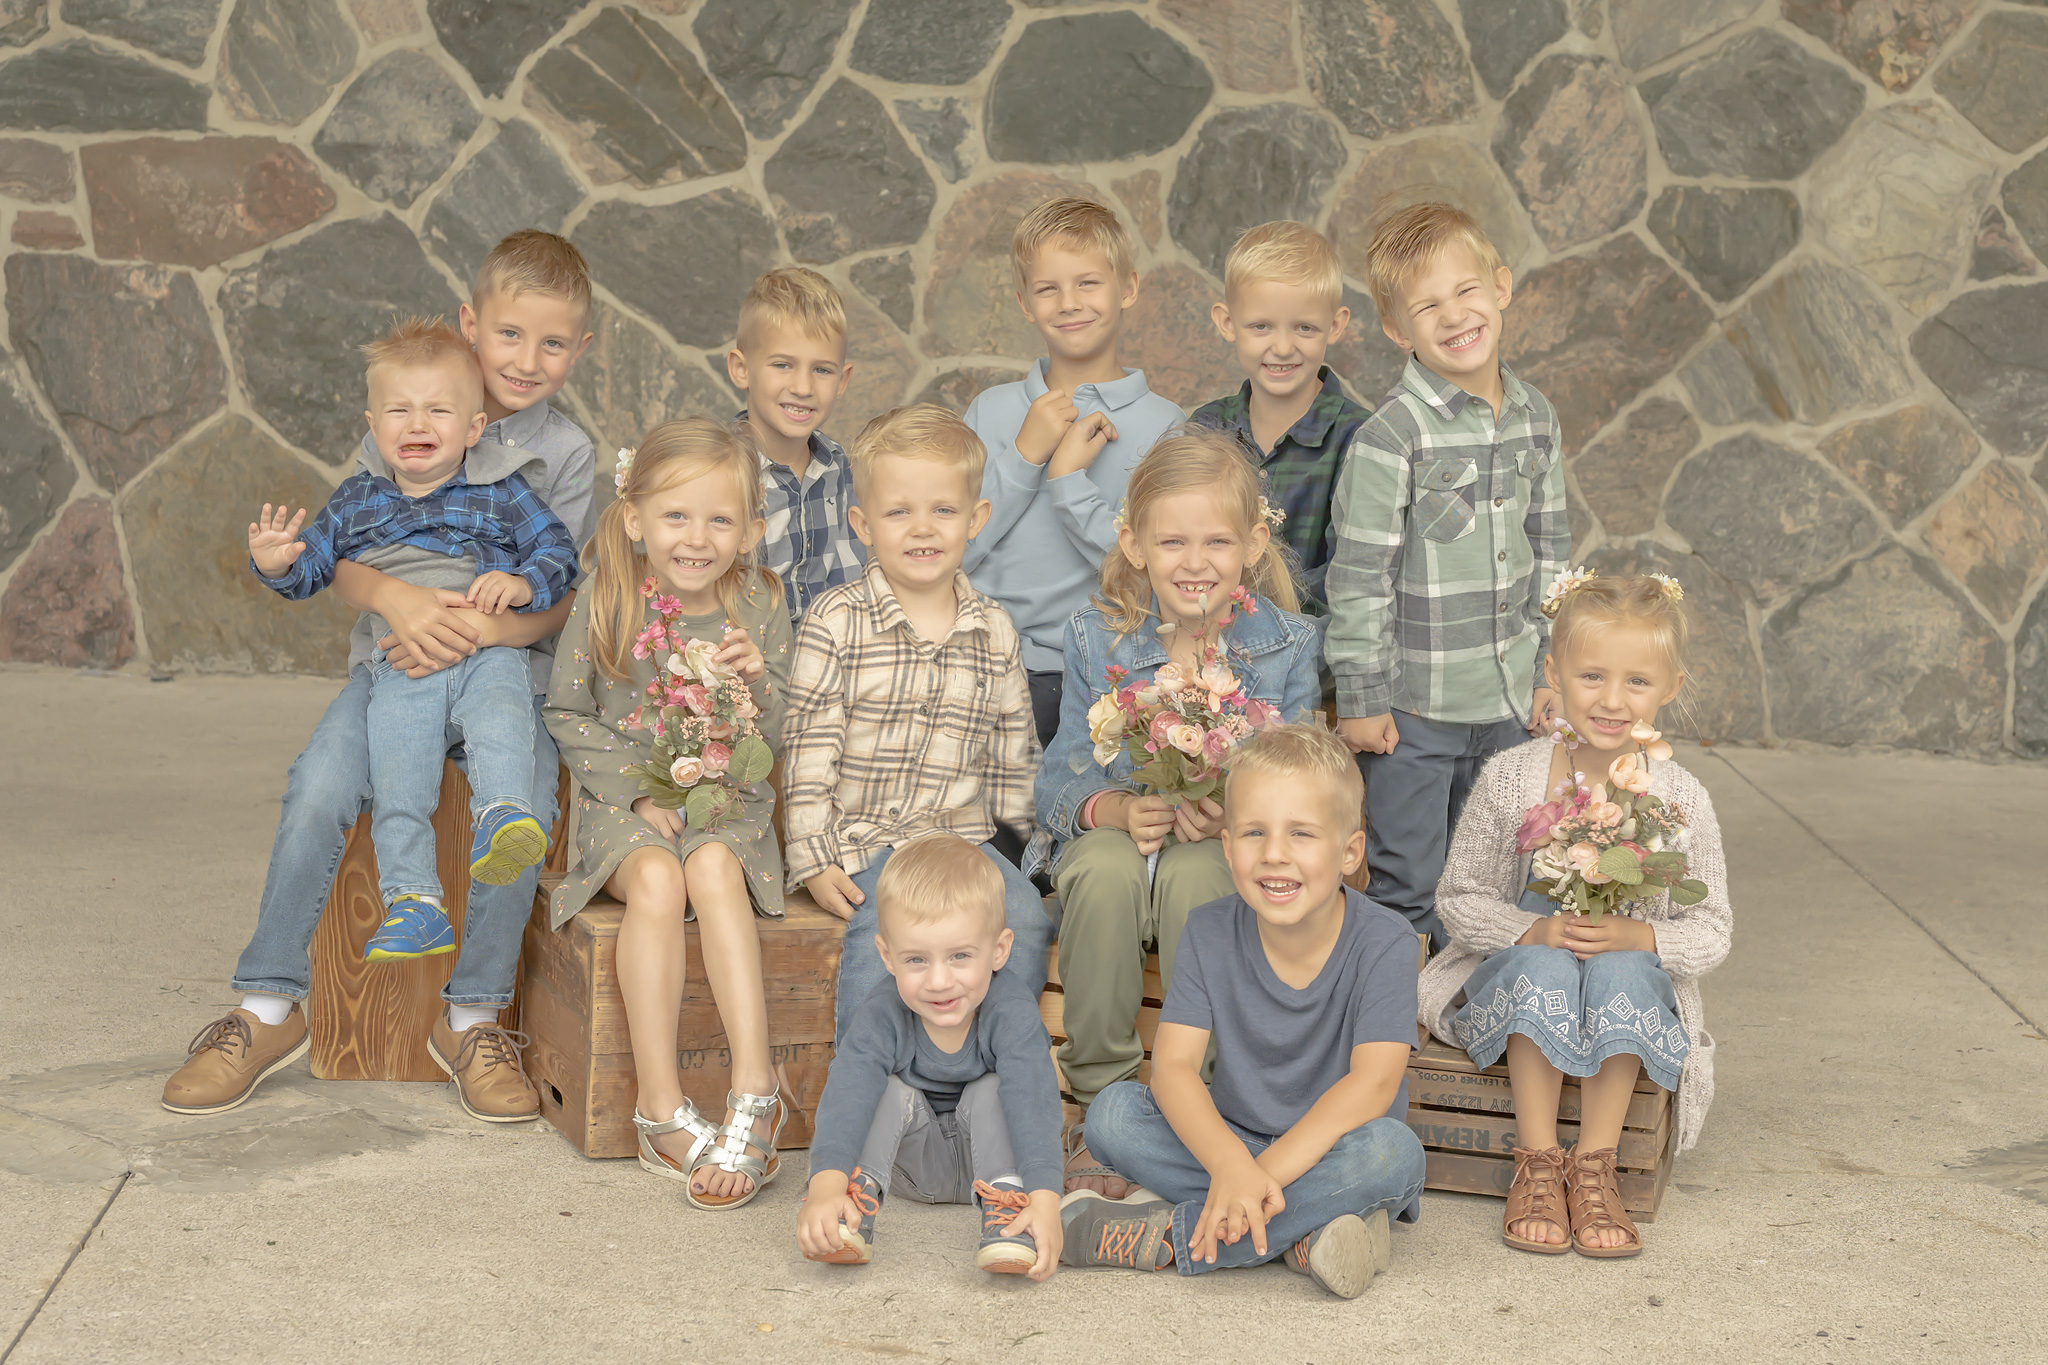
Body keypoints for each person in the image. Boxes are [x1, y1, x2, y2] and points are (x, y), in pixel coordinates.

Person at [164, 229, 598, 1124]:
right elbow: (342, 557)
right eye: (509, 337)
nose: (524, 360)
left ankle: (472, 1016)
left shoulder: (561, 455)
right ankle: (268, 1006)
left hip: (502, 667)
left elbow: (563, 589)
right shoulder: (414, 398)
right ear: (472, 327)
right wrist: (399, 603)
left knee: (528, 806)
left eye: (551, 342)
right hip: (391, 663)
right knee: (319, 785)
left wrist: (480, 626)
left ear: (579, 348)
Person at [1036, 428, 1321, 1198]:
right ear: (1133, 544)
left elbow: (1305, 774)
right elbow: (1058, 774)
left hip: (1216, 847)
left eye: (1217, 541)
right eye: (1171, 541)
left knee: (1204, 880)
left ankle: (1203, 1106)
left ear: (1254, 544)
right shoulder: (1098, 636)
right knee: (1095, 871)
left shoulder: (1286, 645)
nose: (1195, 563)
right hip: (1123, 838)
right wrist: (1117, 806)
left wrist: (1235, 814)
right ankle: (1101, 1101)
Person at [1421, 572, 1731, 1258]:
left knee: (1619, 966)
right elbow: (1460, 896)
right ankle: (1537, 1160)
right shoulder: (1513, 775)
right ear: (1554, 672)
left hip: (1629, 977)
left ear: (1672, 685)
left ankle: (1594, 1164)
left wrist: (1639, 933)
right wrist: (1531, 927)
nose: (1613, 700)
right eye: (1591, 676)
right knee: (1545, 964)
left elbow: (1712, 930)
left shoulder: (1680, 796)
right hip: (1520, 968)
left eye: (1637, 682)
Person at [245, 317, 577, 956]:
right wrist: (276, 563)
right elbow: (315, 566)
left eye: (438, 411)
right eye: (398, 410)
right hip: (405, 661)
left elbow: (558, 555)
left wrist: (521, 582)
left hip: (489, 651)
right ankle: (413, 900)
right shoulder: (357, 500)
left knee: (503, 714)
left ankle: (504, 814)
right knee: (400, 771)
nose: (417, 424)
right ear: (373, 427)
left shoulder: (503, 492)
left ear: (474, 429)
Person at [1060, 723, 1427, 1299]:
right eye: (1254, 832)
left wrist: (1252, 1180)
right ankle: (1310, 1231)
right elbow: (1175, 1068)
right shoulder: (1210, 928)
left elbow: (1373, 1086)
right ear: (1228, 848)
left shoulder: (1387, 942)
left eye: (1302, 833)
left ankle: (1172, 1241)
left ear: (1349, 850)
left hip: (1334, 1148)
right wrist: (1232, 1164)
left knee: (1392, 1154)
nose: (1274, 854)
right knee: (1112, 1115)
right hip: (1226, 1142)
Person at [544, 417, 794, 1209]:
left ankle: (756, 1089)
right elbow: (568, 712)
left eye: (720, 520)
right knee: (657, 882)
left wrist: (758, 685)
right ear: (634, 518)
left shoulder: (758, 602)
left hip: (729, 795)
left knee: (712, 867)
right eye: (677, 517)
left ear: (751, 529)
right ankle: (659, 1105)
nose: (697, 538)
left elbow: (786, 732)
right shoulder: (610, 596)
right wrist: (638, 793)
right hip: (629, 796)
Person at [1325, 201, 1568, 951]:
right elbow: (1360, 575)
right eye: (1427, 306)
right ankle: (1393, 1037)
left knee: (1501, 874)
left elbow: (1551, 547)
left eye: (1466, 291)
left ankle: (1482, 1024)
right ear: (1398, 330)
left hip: (1509, 704)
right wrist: (1362, 698)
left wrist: (1552, 666)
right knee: (1409, 877)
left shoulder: (1536, 418)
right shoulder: (1391, 435)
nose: (1454, 315)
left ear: (1500, 287)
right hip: (1415, 712)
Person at [781, 404, 1052, 1046]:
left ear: (976, 520)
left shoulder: (993, 628)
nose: (922, 528)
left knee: (1026, 920)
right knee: (887, 932)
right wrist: (816, 859)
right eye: (899, 512)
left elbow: (1014, 756)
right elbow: (808, 753)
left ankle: (988, 1078)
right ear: (863, 525)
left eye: (943, 511)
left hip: (963, 842)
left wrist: (1036, 853)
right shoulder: (837, 621)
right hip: (869, 845)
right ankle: (869, 1099)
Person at [960, 197, 1185, 745]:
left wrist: (1066, 482)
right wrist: (1026, 458)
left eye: (1088, 283)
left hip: (1112, 677)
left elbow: (1154, 577)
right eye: (1047, 289)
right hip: (985, 674)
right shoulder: (990, 411)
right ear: (1024, 303)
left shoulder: (1166, 427)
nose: (1069, 303)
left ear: (1127, 288)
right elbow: (951, 550)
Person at [796, 833, 1065, 1279]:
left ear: (999, 950)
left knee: (995, 1085)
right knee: (879, 1085)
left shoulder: (1011, 1011)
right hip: (909, 1167)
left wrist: (1046, 1197)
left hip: (995, 1160)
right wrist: (824, 1185)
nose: (939, 981)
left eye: (960, 956)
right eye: (917, 960)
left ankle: (1011, 1212)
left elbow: (1034, 1100)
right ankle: (851, 1203)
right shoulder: (883, 1013)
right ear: (887, 956)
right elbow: (849, 1091)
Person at [1190, 221, 1372, 618]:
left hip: (1313, 662)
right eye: (1261, 326)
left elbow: (1349, 575)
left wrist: (1264, 629)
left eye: (1304, 327)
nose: (1283, 347)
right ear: (1226, 323)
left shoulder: (1361, 439)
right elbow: (1182, 544)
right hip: (1208, 645)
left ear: (1336, 325)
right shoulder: (1204, 430)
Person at [727, 265, 865, 622]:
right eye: (783, 365)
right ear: (741, 369)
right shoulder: (717, 471)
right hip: (747, 663)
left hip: (834, 662)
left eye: (822, 370)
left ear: (842, 379)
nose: (803, 387)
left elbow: (854, 580)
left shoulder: (842, 469)